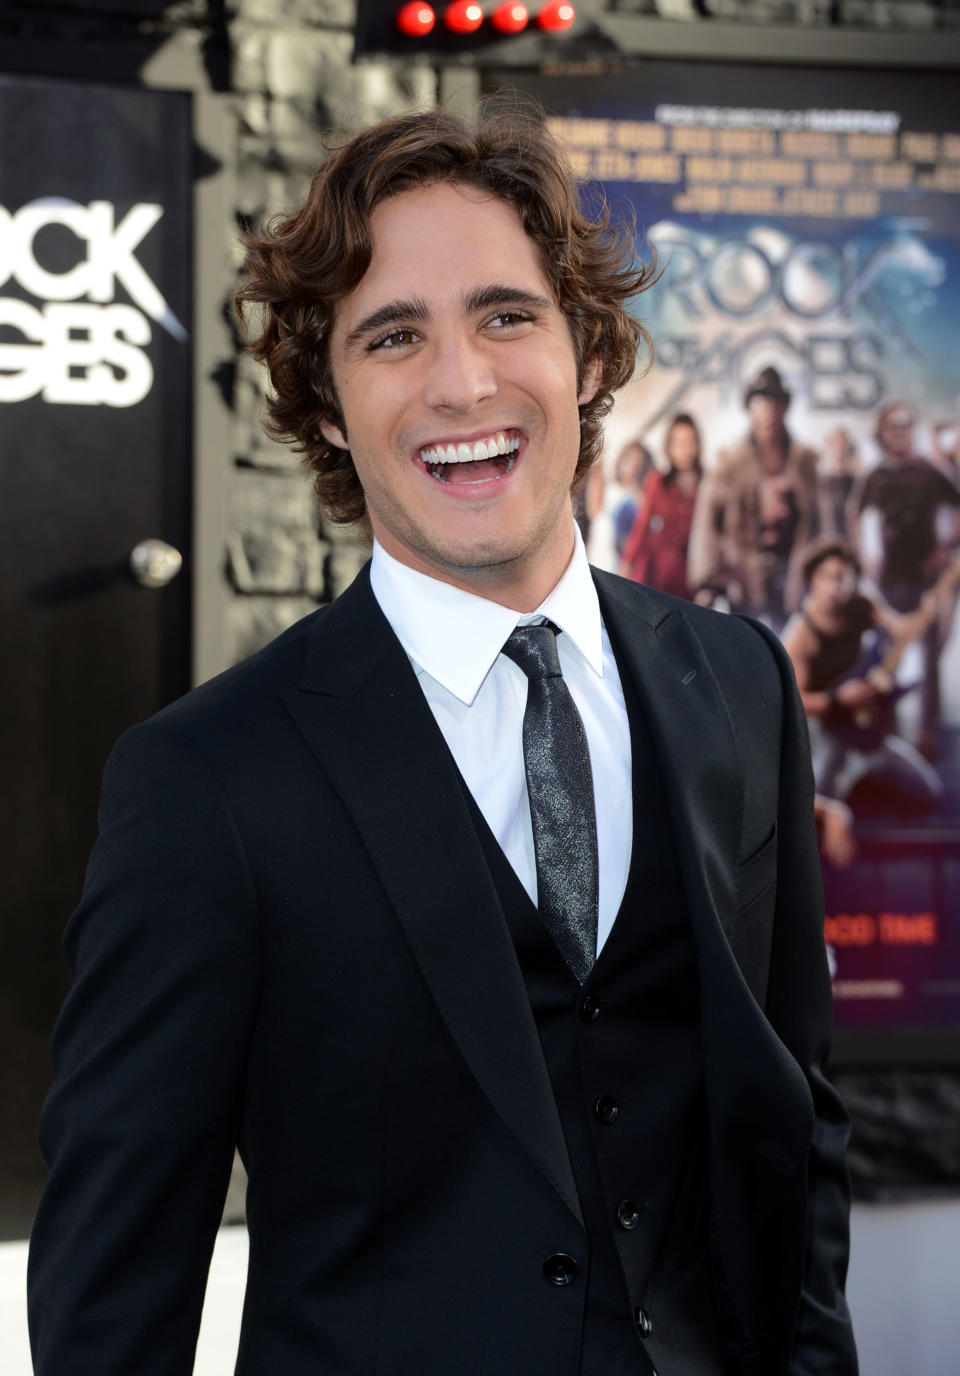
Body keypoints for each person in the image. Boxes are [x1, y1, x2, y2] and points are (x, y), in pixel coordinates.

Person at [28, 108, 856, 1376]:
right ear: (328, 402)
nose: (462, 382)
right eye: (393, 335)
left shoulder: (737, 681)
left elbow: (797, 1132)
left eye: (506, 314)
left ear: (586, 351)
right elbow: (111, 1299)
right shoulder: (206, 783)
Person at [782, 538, 942, 815]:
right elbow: (792, 701)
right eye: (827, 577)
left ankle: (863, 785)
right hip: (826, 733)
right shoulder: (800, 635)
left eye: (843, 578)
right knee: (817, 815)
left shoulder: (861, 604)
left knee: (928, 792)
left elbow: (902, 630)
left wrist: (928, 610)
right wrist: (837, 700)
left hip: (868, 731)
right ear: (812, 580)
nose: (835, 587)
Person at [850, 401, 960, 759]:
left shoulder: (929, 470)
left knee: (929, 660)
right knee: (887, 656)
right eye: (896, 426)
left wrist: (945, 549)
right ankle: (890, 733)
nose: (903, 432)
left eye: (908, 425)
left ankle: (928, 737)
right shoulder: (875, 474)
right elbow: (855, 512)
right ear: (882, 433)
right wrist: (864, 556)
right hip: (889, 582)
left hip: (924, 579)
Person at [687, 365, 823, 630]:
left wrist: (819, 576)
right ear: (750, 408)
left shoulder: (805, 461)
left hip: (793, 577)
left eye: (775, 403)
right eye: (761, 403)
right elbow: (707, 526)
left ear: (784, 409)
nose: (769, 412)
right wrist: (709, 580)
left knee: (790, 655)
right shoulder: (729, 463)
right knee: (745, 654)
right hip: (742, 578)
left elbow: (819, 522)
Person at [619, 412, 702, 599]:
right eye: (678, 443)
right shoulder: (658, 482)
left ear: (697, 445)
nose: (684, 449)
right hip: (657, 574)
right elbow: (642, 527)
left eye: (690, 442)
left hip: (691, 578)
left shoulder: (706, 484)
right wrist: (627, 563)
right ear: (669, 447)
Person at [609, 438, 653, 559]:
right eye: (628, 461)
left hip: (629, 560)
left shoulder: (644, 496)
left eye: (639, 463)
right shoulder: (611, 490)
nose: (633, 467)